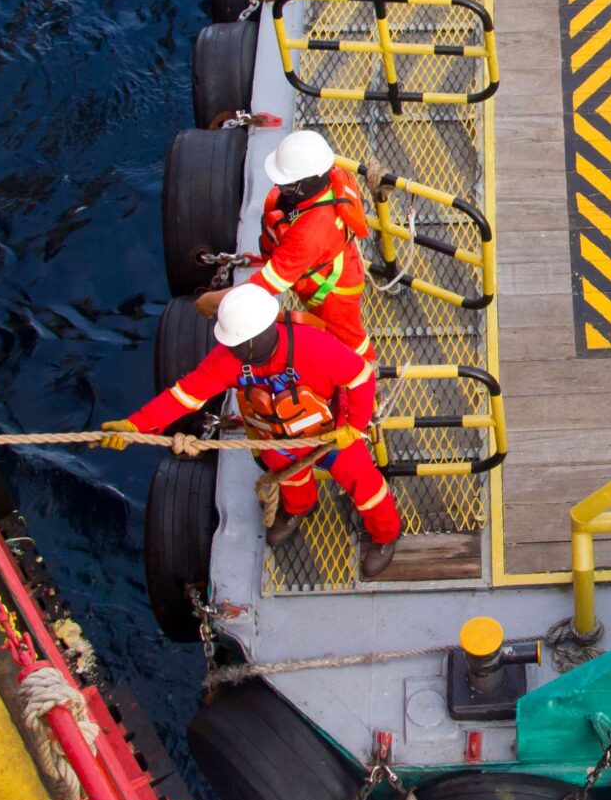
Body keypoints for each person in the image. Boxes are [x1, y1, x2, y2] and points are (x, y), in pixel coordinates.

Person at [107, 283, 403, 577]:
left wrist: (353, 426)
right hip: (276, 437)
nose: (230, 349)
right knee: (289, 476)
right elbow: (186, 395)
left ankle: (385, 535)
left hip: (332, 433)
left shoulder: (313, 345)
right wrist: (136, 424)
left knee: (363, 484)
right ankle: (301, 506)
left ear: (251, 341)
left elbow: (360, 377)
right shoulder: (227, 361)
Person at [198, 129, 379, 361]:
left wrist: (216, 301)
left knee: (350, 341)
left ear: (305, 184)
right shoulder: (326, 181)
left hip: (332, 293)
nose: (279, 187)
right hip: (334, 265)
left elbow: (268, 285)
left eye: (286, 185)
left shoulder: (310, 233)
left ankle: (367, 374)